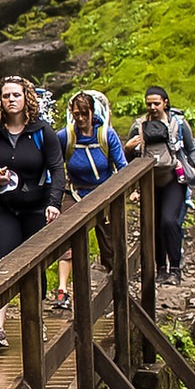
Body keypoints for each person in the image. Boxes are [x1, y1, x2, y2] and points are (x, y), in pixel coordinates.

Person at [0, 76, 67, 348]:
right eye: (6, 96)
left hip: (36, 208)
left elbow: (57, 169)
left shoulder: (42, 132)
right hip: (3, 207)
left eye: (16, 95)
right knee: (2, 263)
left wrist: (54, 202)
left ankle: (35, 324)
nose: (11, 100)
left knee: (34, 267)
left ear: (27, 98)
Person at [53, 91, 127, 310]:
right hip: (76, 192)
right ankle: (62, 290)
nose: (81, 119)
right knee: (66, 238)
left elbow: (121, 165)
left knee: (110, 244)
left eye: (85, 114)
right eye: (77, 114)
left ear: (92, 112)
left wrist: (129, 190)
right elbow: (55, 166)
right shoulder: (65, 136)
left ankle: (117, 290)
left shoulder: (106, 135)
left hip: (103, 193)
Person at [123, 85, 195, 281]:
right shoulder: (138, 126)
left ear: (165, 103)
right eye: (149, 104)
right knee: (153, 226)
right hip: (149, 182)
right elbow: (128, 161)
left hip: (174, 179)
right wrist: (128, 148)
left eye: (157, 103)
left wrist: (192, 170)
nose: (153, 107)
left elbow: (191, 149)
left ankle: (175, 269)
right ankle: (160, 269)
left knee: (169, 221)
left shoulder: (179, 124)